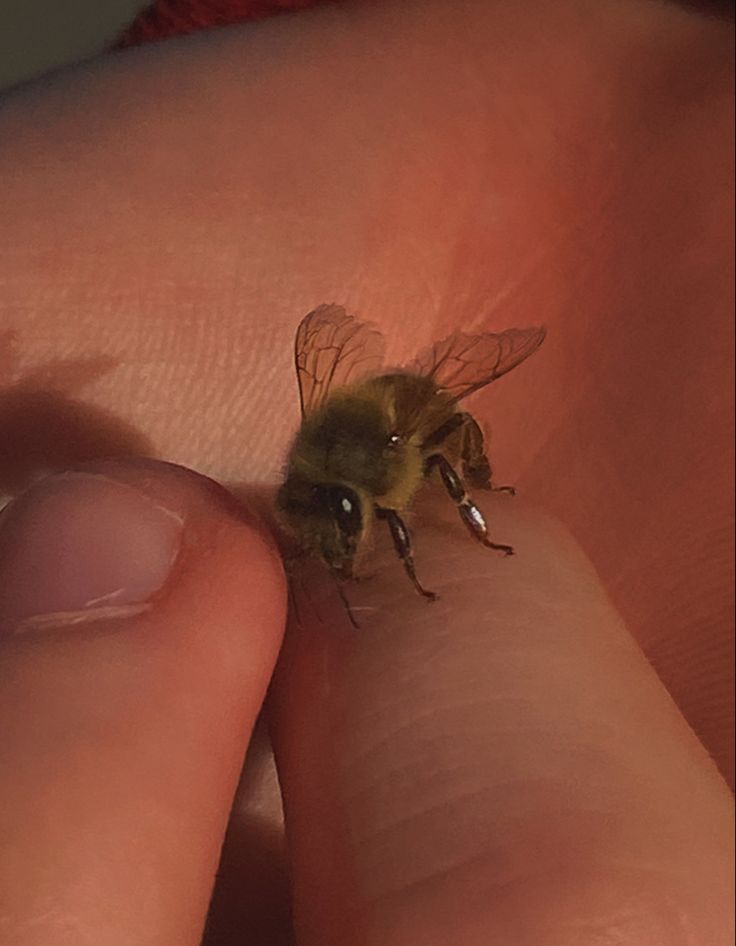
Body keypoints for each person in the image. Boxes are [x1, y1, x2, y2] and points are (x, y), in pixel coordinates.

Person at [0, 1, 733, 943]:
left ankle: (472, 520)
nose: (325, 535)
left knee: (452, 458)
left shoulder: (397, 458)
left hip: (415, 409)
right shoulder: (321, 454)